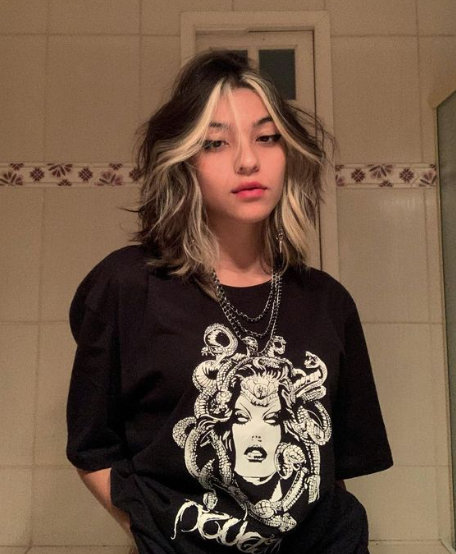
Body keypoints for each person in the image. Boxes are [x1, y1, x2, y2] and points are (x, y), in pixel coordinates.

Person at [66, 50, 393, 554]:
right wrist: (152, 533)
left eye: (267, 137)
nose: (247, 160)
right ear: (184, 160)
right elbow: (92, 448)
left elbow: (331, 469)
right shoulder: (126, 285)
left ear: (289, 153)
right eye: (215, 143)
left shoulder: (329, 302)